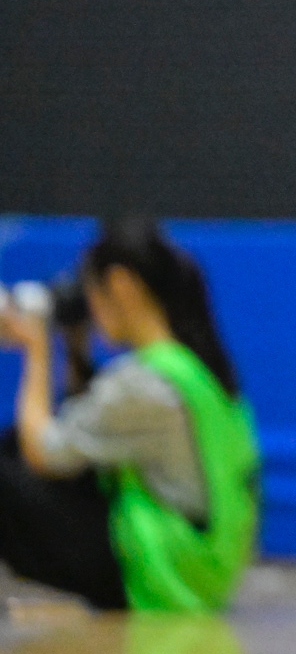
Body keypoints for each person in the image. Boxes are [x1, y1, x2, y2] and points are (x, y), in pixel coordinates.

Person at [0, 219, 260, 614]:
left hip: (163, 573)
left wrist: (37, 347)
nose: (90, 305)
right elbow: (87, 430)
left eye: (92, 291)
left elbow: (44, 451)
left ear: (121, 285)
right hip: (201, 567)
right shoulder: (192, 366)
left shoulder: (145, 385)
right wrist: (75, 346)